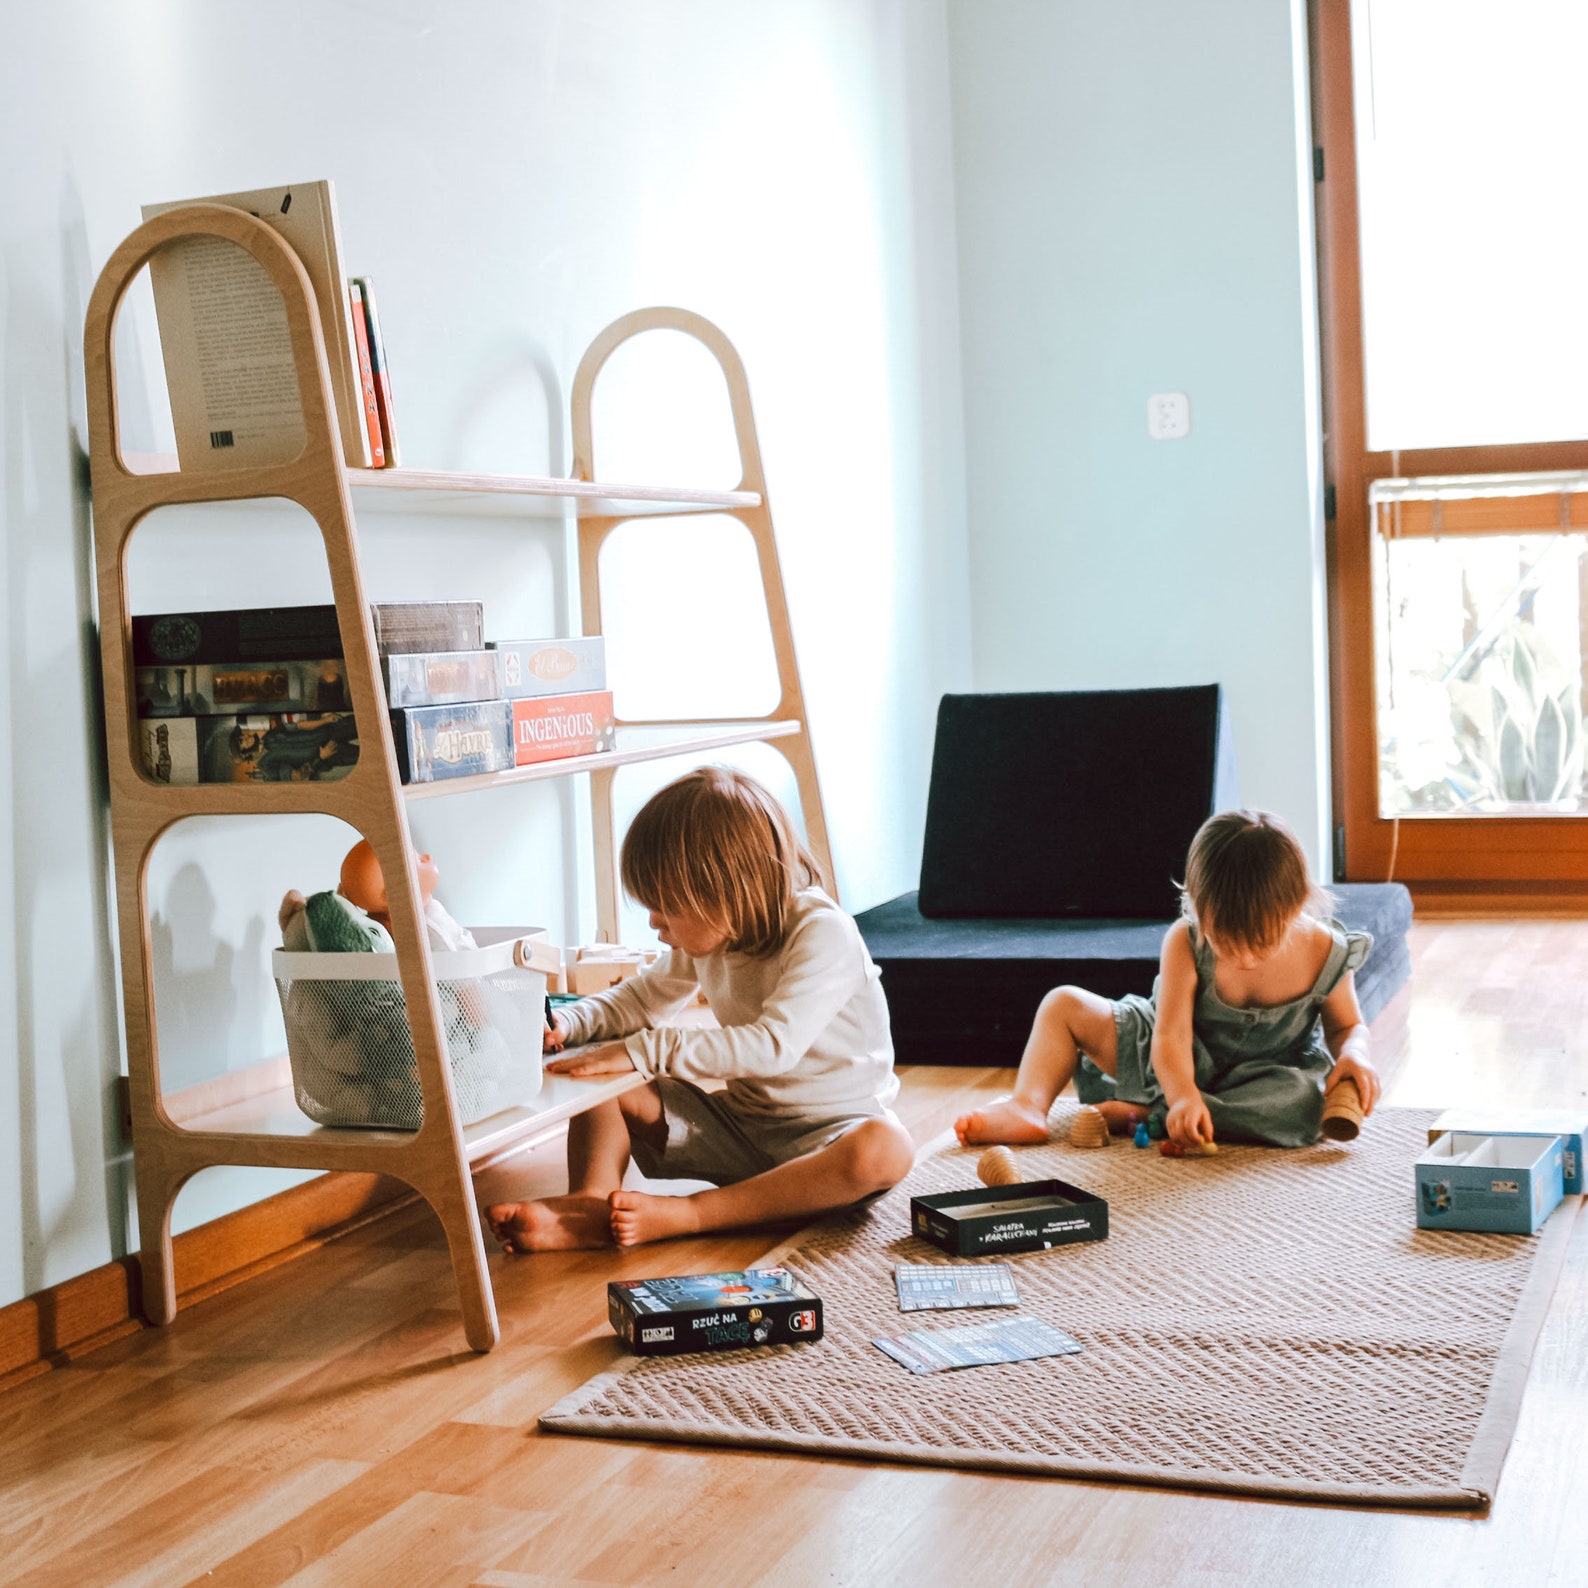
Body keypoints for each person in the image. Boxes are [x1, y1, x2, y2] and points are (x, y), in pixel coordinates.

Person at [486, 767, 913, 1251]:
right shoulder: (715, 934)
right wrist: (571, 1021)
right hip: (743, 1131)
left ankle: (692, 1214)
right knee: (599, 1079)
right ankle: (590, 1203)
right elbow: (642, 999)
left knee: (886, 1149)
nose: (654, 923)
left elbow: (773, 1047)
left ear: (725, 895)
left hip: (828, 1145)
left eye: (666, 907)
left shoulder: (823, 933)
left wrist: (645, 1051)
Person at [955, 809, 1380, 1151]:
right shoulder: (1185, 939)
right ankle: (1028, 1106)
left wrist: (1356, 1052)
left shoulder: (1326, 950)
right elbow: (1170, 1035)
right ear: (1194, 906)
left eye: (1262, 941)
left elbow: (1346, 1026)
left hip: (1263, 1075)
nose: (1246, 957)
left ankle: (1147, 1114)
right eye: (1227, 942)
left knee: (1302, 1105)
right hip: (1166, 1055)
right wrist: (1181, 1095)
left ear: (1299, 906)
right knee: (1062, 1004)